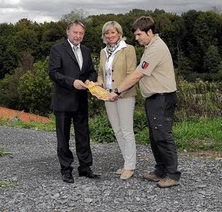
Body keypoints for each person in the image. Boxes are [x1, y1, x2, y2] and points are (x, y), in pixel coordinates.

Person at [108, 16, 180, 188]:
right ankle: (160, 170)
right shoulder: (150, 46)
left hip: (162, 97)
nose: (137, 38)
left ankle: (173, 175)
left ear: (149, 31)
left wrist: (117, 90)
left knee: (162, 136)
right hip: (154, 98)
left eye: (139, 34)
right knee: (155, 136)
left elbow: (138, 74)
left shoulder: (156, 48)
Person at [48, 20, 100, 183]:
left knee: (83, 135)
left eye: (81, 33)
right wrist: (72, 82)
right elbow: (53, 73)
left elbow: (91, 72)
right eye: (75, 32)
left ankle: (85, 167)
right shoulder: (57, 49)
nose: (78, 36)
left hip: (81, 100)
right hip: (63, 101)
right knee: (63, 137)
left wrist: (90, 82)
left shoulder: (86, 50)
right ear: (68, 32)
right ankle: (66, 169)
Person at [95, 21, 138, 180]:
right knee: (117, 131)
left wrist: (118, 91)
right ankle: (127, 162)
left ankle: (130, 166)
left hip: (124, 95)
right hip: (107, 96)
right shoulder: (103, 52)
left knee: (126, 130)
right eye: (107, 33)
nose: (110, 36)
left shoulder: (128, 49)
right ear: (104, 35)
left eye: (113, 33)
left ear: (119, 33)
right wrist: (98, 83)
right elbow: (101, 72)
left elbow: (131, 74)